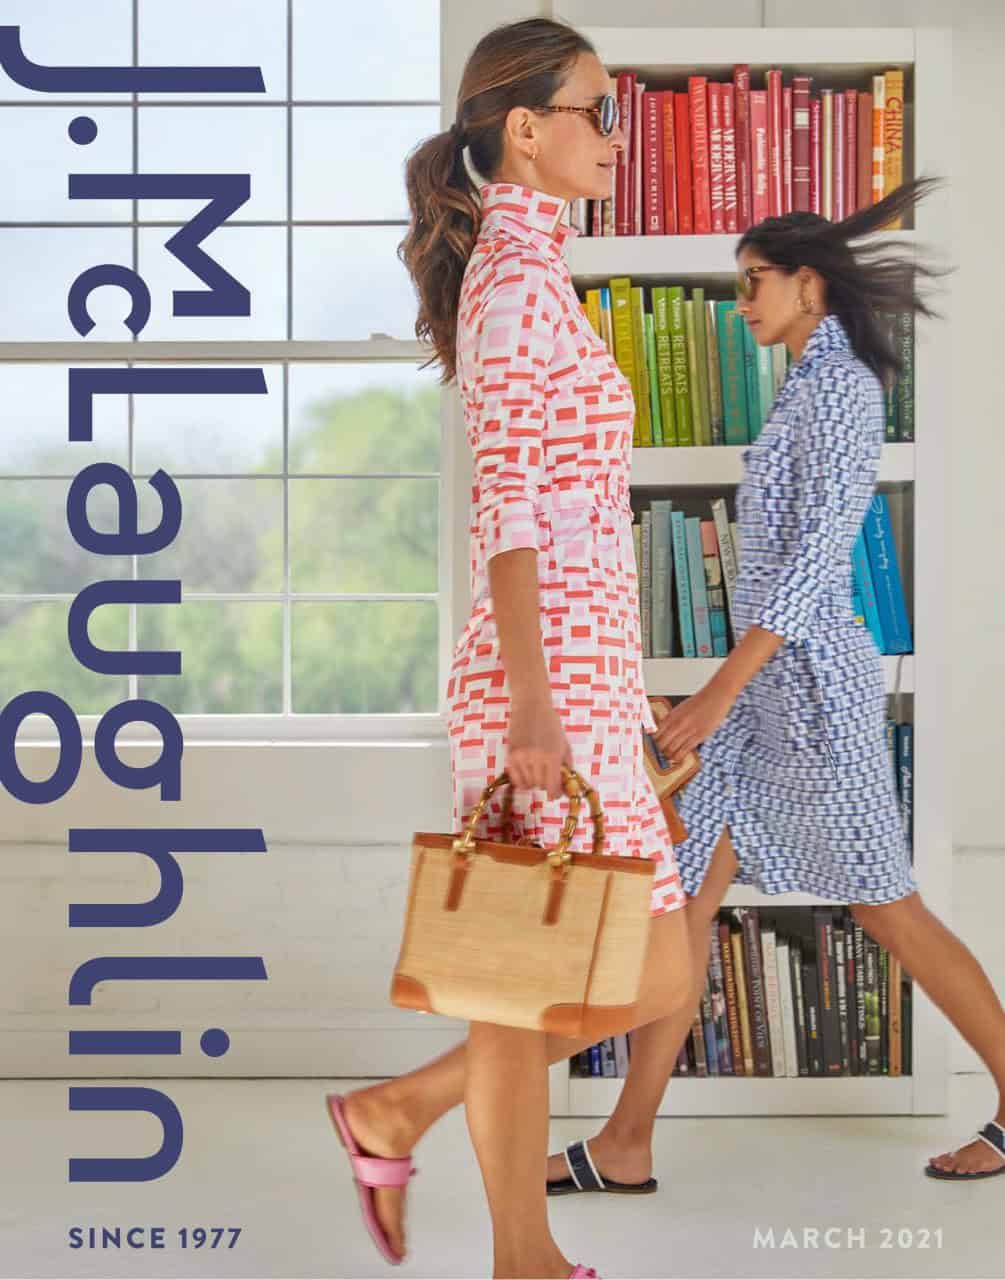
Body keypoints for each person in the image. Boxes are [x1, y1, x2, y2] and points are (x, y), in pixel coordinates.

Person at [324, 18, 699, 1279]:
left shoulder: (538, 274)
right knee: (532, 978)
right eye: (597, 110)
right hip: (537, 678)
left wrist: (624, 685)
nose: (615, 136)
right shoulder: (511, 282)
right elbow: (512, 512)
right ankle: (521, 1254)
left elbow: (588, 512)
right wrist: (540, 703)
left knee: (642, 966)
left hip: (583, 671)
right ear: (524, 129)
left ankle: (400, 1112)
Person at [544, 176, 1005, 1198]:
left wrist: (711, 693)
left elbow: (811, 566)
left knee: (890, 910)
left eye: (755, 283)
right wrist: (724, 698)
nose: (743, 303)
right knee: (684, 907)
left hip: (813, 701)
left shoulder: (842, 390)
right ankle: (626, 1143)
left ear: (811, 284)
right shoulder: (804, 382)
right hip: (758, 702)